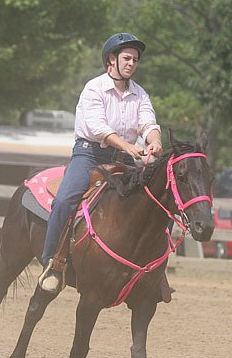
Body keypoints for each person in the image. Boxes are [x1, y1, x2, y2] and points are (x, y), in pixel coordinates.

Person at [38, 32, 163, 293]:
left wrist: (155, 140)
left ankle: (155, 269)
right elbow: (98, 128)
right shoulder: (94, 88)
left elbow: (148, 122)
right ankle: (53, 262)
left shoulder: (140, 94)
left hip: (124, 158)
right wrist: (129, 146)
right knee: (65, 200)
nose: (131, 63)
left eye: (135, 60)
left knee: (158, 199)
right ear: (111, 60)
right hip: (90, 154)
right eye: (127, 58)